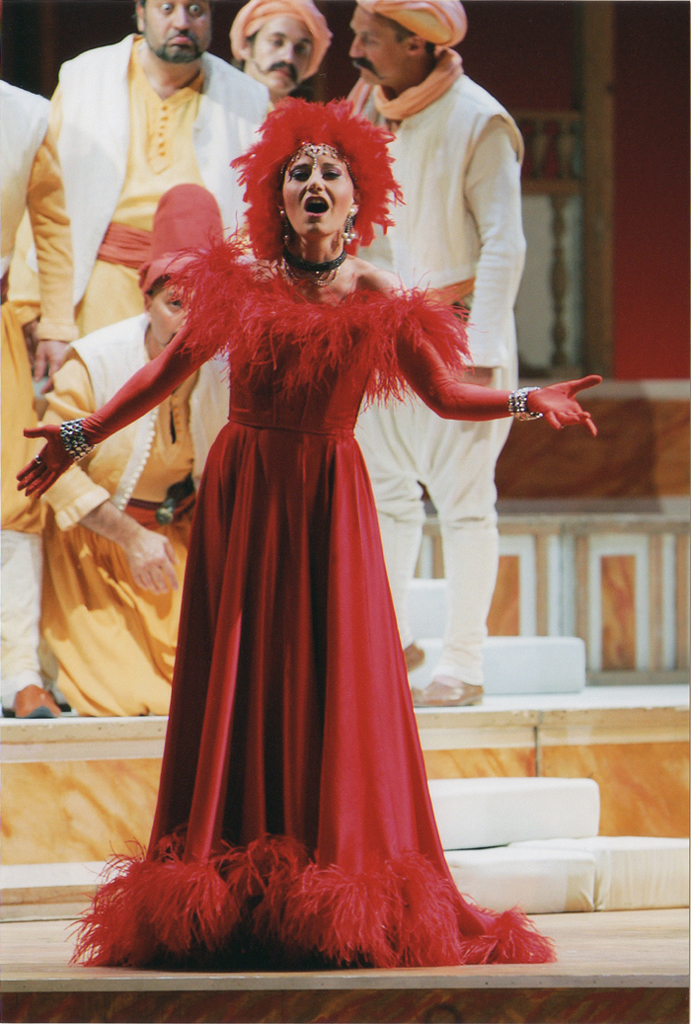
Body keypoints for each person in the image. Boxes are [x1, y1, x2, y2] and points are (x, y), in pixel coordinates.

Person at [20, 99, 599, 970]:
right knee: (243, 681)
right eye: (300, 173)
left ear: (355, 198)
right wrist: (77, 434)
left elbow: (443, 395)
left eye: (331, 172)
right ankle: (235, 881)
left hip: (330, 499)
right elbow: (162, 374)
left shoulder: (372, 294)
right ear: (276, 196)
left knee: (327, 680)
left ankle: (329, 876)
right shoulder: (238, 284)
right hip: (247, 495)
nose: (315, 183)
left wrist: (524, 399)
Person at [349, 0, 527, 707]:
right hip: (385, 331)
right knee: (387, 496)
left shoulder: (478, 120)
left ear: (417, 45)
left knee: (462, 505)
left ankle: (464, 665)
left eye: (370, 37)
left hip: (457, 335)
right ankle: (387, 647)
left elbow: (504, 242)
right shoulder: (370, 104)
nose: (356, 47)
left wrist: (478, 352)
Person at [38, 185, 229, 717]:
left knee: (214, 696)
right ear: (146, 299)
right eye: (175, 304)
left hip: (179, 551)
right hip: (95, 555)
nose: (189, 323)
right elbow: (49, 472)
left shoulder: (226, 370)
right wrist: (130, 536)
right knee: (133, 701)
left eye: (207, 306)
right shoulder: (96, 361)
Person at [10, 0, 268, 338]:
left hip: (196, 302)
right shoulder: (85, 76)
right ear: (141, 13)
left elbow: (255, 222)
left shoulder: (249, 99)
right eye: (167, 8)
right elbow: (44, 198)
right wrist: (29, 303)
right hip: (98, 288)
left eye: (196, 10)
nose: (182, 22)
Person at [1, 81, 78, 719]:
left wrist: (56, 323)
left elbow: (51, 222)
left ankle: (19, 671)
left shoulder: (27, 114)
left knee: (12, 499)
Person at [230, 0, 332, 105]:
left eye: (300, 49)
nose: (289, 57)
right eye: (277, 42)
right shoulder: (216, 108)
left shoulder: (310, 121)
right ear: (247, 46)